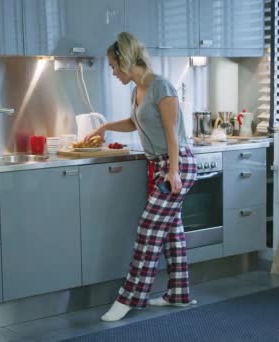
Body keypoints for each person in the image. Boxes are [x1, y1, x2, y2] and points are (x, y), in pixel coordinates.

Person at [84, 32, 197, 322]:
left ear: (125, 60)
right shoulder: (137, 90)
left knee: (148, 228)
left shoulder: (162, 86)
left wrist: (173, 172)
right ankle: (178, 294)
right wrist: (104, 127)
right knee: (172, 233)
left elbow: (172, 132)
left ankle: (129, 297)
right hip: (160, 164)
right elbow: (134, 123)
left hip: (177, 164)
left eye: (113, 66)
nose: (113, 72)